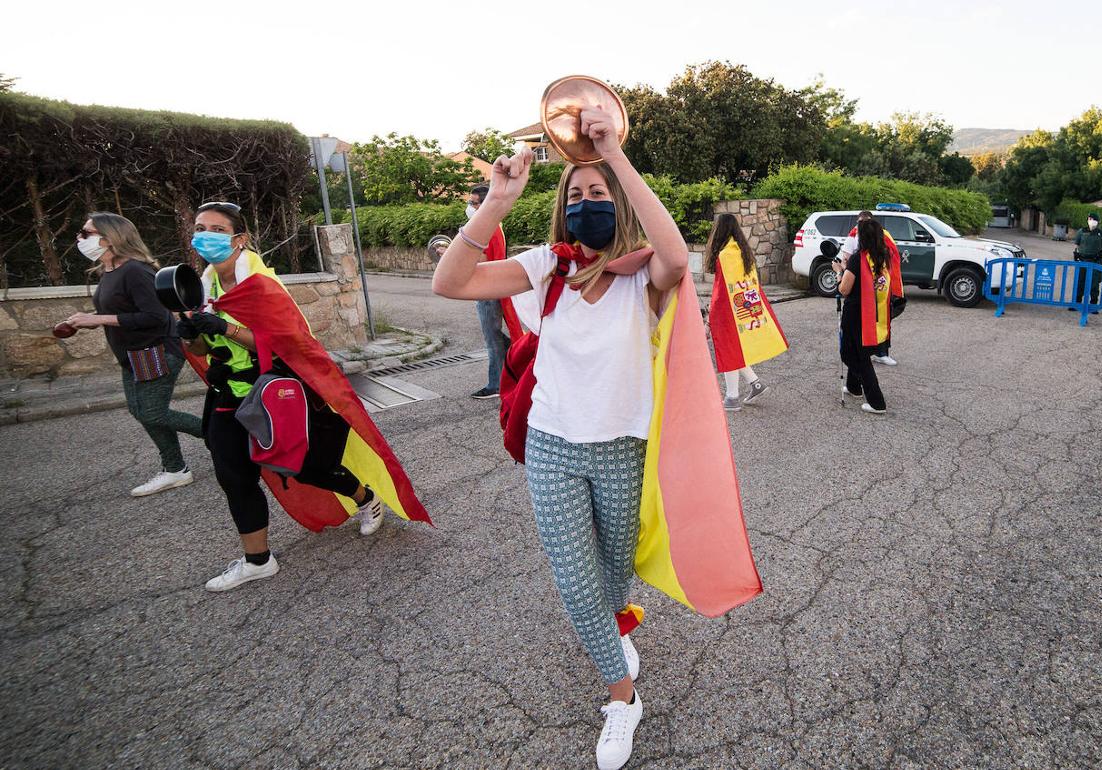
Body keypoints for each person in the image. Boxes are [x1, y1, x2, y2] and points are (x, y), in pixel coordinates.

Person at [432, 105, 687, 770]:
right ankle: (621, 698)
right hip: (551, 442)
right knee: (576, 584)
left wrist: (615, 161)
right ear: (560, 209)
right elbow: (450, 281)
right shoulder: (546, 265)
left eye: (597, 192)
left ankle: (614, 631)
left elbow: (679, 257)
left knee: (611, 577)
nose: (586, 201)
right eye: (575, 194)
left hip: (622, 445)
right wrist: (496, 200)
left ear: (620, 201)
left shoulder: (640, 275)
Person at [179, 202, 394, 591]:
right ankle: (258, 561)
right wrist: (191, 333)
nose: (205, 235)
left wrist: (225, 329)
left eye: (216, 229)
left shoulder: (261, 286)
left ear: (239, 239)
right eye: (199, 227)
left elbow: (286, 345)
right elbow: (198, 350)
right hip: (229, 395)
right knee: (234, 477)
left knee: (303, 467)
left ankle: (366, 497)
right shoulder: (202, 287)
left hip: (275, 395)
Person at [64, 212, 203, 496]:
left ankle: (226, 437)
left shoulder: (136, 271)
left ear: (110, 237)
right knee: (140, 410)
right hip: (133, 354)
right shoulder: (109, 272)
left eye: (86, 233)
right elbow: (121, 312)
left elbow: (155, 317)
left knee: (152, 411)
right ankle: (175, 469)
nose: (79, 238)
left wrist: (99, 320)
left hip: (157, 350)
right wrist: (83, 320)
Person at [703, 213, 788, 411]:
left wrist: (709, 321)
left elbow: (719, 291)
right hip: (745, 308)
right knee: (734, 349)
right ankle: (755, 384)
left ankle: (732, 397)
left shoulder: (724, 256)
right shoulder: (743, 251)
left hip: (728, 312)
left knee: (728, 350)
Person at [831, 218, 892, 414]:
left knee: (851, 354)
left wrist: (839, 272)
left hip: (855, 310)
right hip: (872, 309)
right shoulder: (883, 256)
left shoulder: (859, 258)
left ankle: (876, 400)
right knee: (859, 349)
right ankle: (854, 387)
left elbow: (845, 289)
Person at [466, 184, 519, 399]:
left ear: (485, 204)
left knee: (492, 338)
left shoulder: (485, 229)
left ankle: (496, 384)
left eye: (474, 203)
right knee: (496, 336)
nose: (470, 207)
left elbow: (482, 260)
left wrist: (454, 254)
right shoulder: (494, 225)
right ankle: (514, 365)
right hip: (492, 287)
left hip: (487, 290)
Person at [842, 211, 903, 365]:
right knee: (861, 325)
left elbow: (892, 256)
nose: (862, 225)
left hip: (877, 285)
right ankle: (862, 356)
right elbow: (846, 257)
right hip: (860, 284)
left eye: (865, 222)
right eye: (860, 222)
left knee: (881, 320)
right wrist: (845, 269)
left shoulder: (881, 236)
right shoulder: (853, 237)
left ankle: (881, 352)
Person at [1071, 212, 1102, 312]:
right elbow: (1077, 244)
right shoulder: (1081, 231)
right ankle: (1077, 303)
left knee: (1094, 284)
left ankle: (1093, 305)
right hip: (1083, 261)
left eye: (1093, 219)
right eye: (1089, 219)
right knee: (1080, 282)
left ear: (1098, 221)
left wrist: (1101, 254)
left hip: (1096, 262)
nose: (1091, 221)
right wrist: (1077, 253)